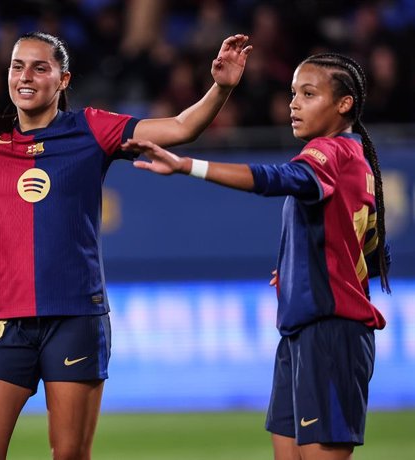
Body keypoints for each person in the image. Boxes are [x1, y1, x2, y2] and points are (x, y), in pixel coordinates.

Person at [0, 31, 251, 459]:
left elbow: (182, 127)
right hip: (5, 322)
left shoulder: (92, 129)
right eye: (17, 66)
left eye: (40, 67)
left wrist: (221, 87)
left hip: (74, 318)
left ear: (63, 79)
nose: (25, 76)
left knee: (69, 454)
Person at [124, 53, 391, 460]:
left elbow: (279, 179)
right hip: (302, 332)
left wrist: (186, 165)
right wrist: (302, 266)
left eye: (309, 93)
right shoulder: (356, 160)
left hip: (331, 336)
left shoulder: (330, 153)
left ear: (345, 104)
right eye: (293, 93)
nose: (294, 104)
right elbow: (373, 251)